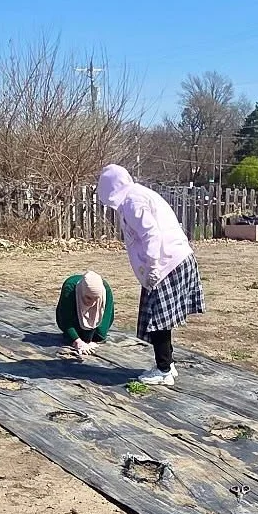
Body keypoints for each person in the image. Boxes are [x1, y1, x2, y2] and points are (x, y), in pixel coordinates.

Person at [97, 164, 205, 387]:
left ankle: (163, 369)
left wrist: (153, 267)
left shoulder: (133, 202)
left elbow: (152, 235)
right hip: (173, 260)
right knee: (160, 318)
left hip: (166, 263)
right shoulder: (137, 195)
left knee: (158, 319)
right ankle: (168, 364)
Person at [56, 271, 115, 360]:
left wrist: (91, 340)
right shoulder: (70, 288)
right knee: (71, 334)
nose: (92, 302)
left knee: (100, 335)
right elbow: (65, 318)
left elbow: (107, 317)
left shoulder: (105, 291)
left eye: (96, 299)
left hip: (95, 330)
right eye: (88, 298)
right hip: (74, 317)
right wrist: (77, 341)